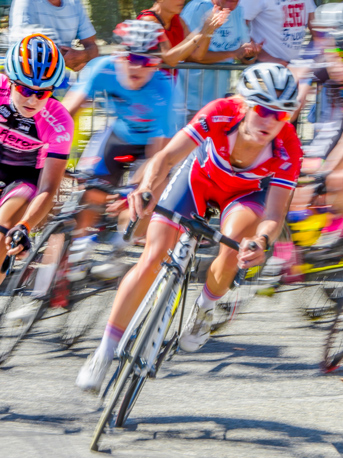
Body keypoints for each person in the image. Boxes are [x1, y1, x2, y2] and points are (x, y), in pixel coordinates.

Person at [76, 63, 303, 392]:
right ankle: (104, 351)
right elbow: (166, 158)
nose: (270, 121)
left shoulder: (288, 148)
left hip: (245, 196)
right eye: (264, 109)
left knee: (234, 243)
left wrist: (262, 240)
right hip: (199, 180)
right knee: (153, 257)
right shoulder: (221, 113)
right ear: (245, 104)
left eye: (280, 115)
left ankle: (205, 308)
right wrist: (145, 188)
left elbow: (276, 210)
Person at [62, 20, 173, 280]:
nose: (137, 66)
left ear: (156, 64)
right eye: (132, 57)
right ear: (120, 54)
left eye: (147, 61)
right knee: (93, 187)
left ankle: (119, 247)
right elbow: (67, 111)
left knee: (145, 195)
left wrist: (135, 189)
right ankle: (81, 243)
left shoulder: (164, 89)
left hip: (149, 146)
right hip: (118, 135)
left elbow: (158, 155)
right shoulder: (102, 68)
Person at [0, 34, 74, 286]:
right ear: (10, 80)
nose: (33, 100)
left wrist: (25, 225)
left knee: (4, 231)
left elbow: (48, 188)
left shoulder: (60, 121)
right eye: (25, 89)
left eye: (43, 93)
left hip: (25, 180)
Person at [289, 10, 343, 247]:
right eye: (337, 56)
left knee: (340, 176)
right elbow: (296, 92)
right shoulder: (327, 63)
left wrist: (327, 168)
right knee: (295, 183)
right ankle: (293, 253)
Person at [175, 0, 262, 121]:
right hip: (190, 103)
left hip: (218, 103)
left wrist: (249, 54)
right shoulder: (198, 7)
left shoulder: (238, 10)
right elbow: (189, 55)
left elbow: (243, 54)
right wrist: (232, 53)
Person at [136, 0, 231, 70]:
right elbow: (170, 59)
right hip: (143, 89)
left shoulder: (178, 20)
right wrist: (204, 31)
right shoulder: (148, 20)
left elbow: (197, 55)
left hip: (164, 89)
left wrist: (210, 28)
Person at [9, 0, 98, 72]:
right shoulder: (25, 2)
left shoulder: (75, 3)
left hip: (63, 81)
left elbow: (93, 48)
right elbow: (21, 48)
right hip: (31, 83)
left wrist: (83, 55)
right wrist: (62, 58)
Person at [241, 0, 316, 67]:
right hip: (265, 69)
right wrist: (264, 56)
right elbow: (237, 29)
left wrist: (311, 58)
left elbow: (317, 31)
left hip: (296, 68)